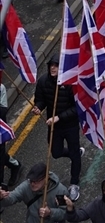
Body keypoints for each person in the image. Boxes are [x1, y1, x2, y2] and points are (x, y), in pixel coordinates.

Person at [32, 56, 82, 196]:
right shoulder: (43, 81)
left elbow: (77, 107)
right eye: (51, 65)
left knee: (74, 153)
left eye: (56, 65)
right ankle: (77, 153)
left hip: (70, 125)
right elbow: (41, 99)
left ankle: (74, 183)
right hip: (54, 126)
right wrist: (38, 107)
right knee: (56, 152)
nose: (52, 68)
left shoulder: (71, 83)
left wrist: (59, 117)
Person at [0, 161, 67, 221]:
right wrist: (1, 198)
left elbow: (65, 213)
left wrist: (50, 212)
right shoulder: (26, 186)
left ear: (46, 178)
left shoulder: (60, 191)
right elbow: (12, 197)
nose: (32, 184)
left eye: (36, 181)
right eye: (31, 180)